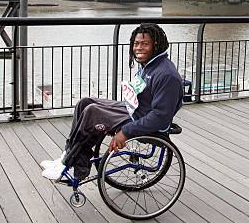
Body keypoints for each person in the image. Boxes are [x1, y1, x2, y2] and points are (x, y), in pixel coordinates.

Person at [41, 23, 184, 180]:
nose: (138, 48)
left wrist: (126, 132)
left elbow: (160, 117)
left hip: (144, 120)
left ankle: (75, 167)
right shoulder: (148, 66)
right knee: (85, 103)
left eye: (145, 44)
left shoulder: (166, 75)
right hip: (134, 109)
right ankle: (68, 155)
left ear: (156, 45)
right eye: (136, 44)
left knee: (92, 112)